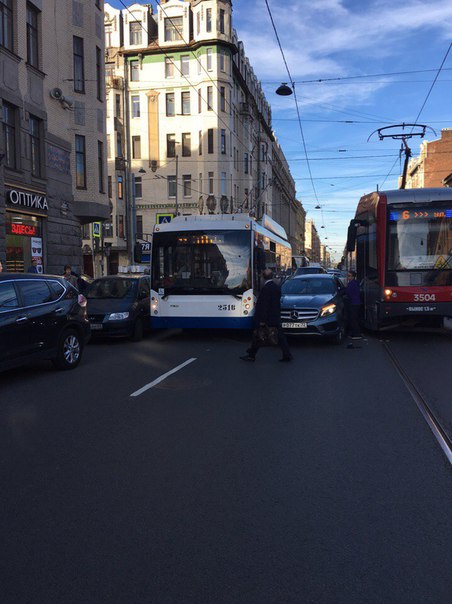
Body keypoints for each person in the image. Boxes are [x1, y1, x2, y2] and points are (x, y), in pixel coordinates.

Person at [241, 268, 292, 363]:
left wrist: (262, 320)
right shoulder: (276, 287)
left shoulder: (266, 289)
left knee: (259, 336)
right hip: (275, 317)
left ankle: (251, 355)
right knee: (279, 337)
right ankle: (287, 354)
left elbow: (264, 305)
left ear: (263, 277)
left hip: (267, 318)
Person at [344, 270, 362, 347]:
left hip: (354, 303)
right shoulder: (354, 283)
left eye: (350, 276)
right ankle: (354, 333)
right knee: (353, 318)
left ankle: (357, 334)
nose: (348, 277)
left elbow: (348, 292)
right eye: (348, 276)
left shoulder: (352, 283)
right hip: (355, 303)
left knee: (353, 319)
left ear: (353, 276)